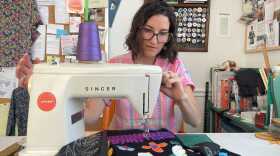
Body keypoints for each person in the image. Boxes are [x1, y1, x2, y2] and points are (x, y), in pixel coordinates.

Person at [16, 0, 201, 132]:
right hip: (121, 141)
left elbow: (195, 120)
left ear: (169, 36)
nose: (155, 40)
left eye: (162, 34)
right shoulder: (116, 65)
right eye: (148, 31)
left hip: (163, 144)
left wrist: (181, 97)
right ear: (137, 29)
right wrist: (41, 87)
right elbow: (89, 118)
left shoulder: (174, 65)